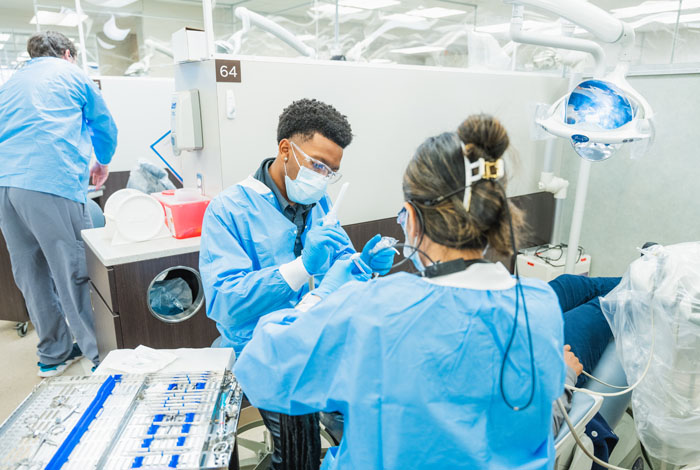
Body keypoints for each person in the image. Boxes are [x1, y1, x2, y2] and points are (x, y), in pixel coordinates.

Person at [233, 116, 567, 469]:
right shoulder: (540, 305)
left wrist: (323, 295)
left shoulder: (375, 308)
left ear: (411, 218)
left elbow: (260, 367)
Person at [199, 98, 395, 469]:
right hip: (261, 351)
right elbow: (226, 301)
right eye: (317, 165)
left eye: (331, 171)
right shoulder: (229, 211)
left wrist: (362, 264)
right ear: (286, 149)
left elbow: (338, 267)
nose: (322, 178)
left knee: (363, 417)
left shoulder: (319, 205)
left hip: (318, 340)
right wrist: (301, 267)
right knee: (297, 450)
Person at [0, 31, 118, 377]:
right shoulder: (72, 74)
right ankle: (99, 355)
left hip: (5, 185)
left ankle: (53, 354)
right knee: (73, 269)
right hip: (48, 180)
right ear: (68, 54)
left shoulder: (10, 83)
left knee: (30, 272)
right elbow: (104, 124)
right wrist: (103, 159)